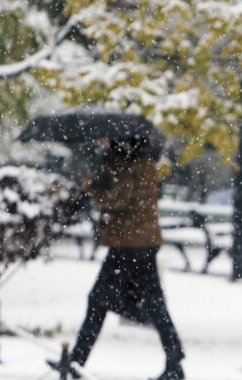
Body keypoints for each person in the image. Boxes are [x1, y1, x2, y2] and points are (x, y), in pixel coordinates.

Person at [49, 136, 184, 380]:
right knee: (150, 302)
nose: (100, 142)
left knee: (100, 300)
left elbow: (118, 200)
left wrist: (92, 187)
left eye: (105, 138)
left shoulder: (124, 162)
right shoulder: (140, 159)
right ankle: (174, 359)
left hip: (129, 244)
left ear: (117, 139)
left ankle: (78, 360)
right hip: (140, 241)